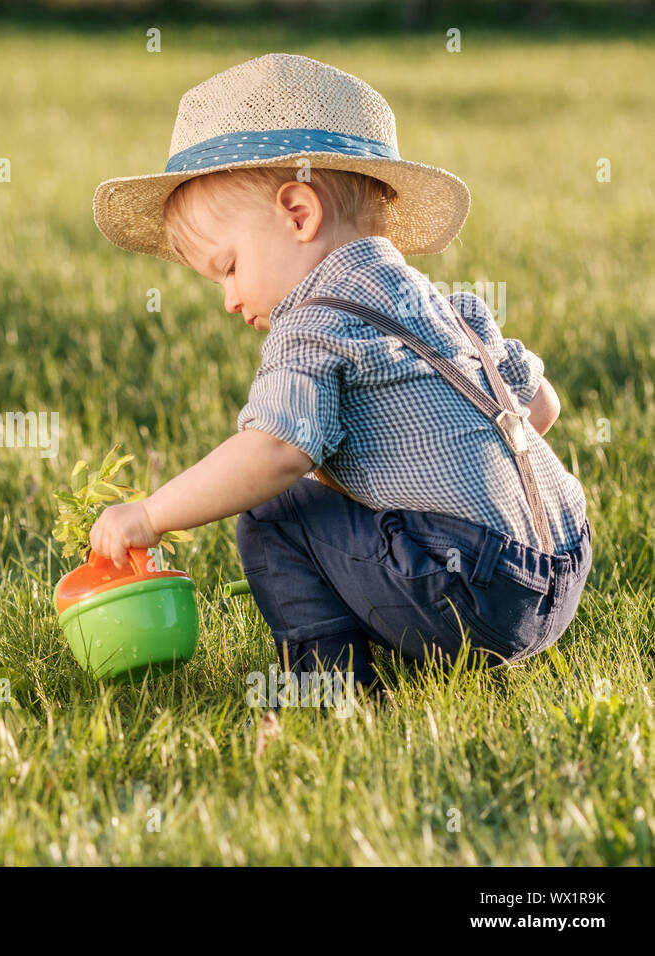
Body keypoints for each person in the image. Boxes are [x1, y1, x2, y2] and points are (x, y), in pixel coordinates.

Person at [87, 53, 591, 699]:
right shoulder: (448, 307)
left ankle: (329, 694)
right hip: (562, 566)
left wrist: (150, 516)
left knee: (275, 513)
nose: (229, 300)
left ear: (299, 214)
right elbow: (539, 407)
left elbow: (274, 453)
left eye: (229, 267)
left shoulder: (315, 322)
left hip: (468, 593)